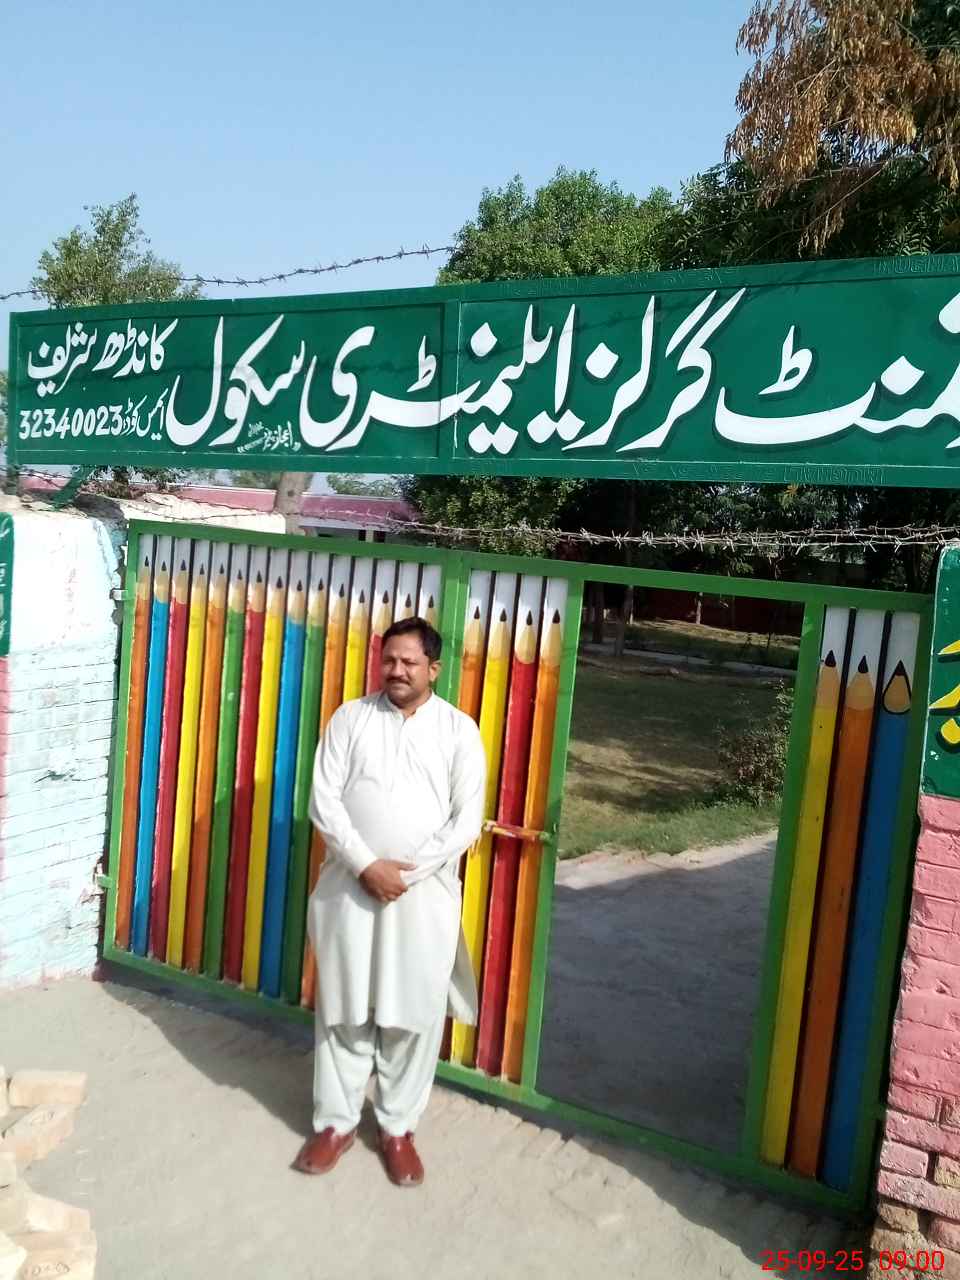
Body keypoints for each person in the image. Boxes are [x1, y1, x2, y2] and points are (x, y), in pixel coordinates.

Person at [294, 615, 486, 1187]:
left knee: (412, 1012)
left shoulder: (458, 731)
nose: (396, 670)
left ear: (434, 668)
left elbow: (465, 820)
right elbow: (324, 800)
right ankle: (335, 1124)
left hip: (421, 898)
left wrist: (407, 873)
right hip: (350, 887)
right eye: (389, 660)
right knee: (344, 1006)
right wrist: (366, 865)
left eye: (409, 662)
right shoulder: (351, 719)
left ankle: (397, 1128)